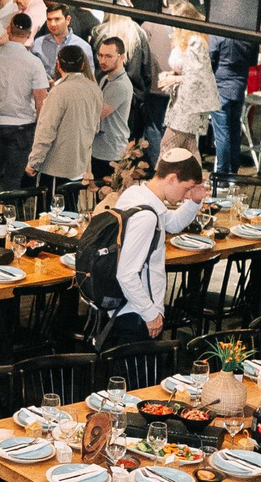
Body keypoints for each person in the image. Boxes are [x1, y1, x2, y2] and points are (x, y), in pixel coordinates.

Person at [103, 148, 209, 344]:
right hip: (138, 314)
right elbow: (126, 274)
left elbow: (173, 223)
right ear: (171, 179)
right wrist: (151, 314)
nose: (186, 195)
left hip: (128, 307)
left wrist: (195, 200)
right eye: (186, 188)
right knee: (140, 374)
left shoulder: (137, 194)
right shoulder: (146, 216)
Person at [25, 45, 103, 196]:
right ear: (82, 64)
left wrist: (33, 163)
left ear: (58, 64)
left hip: (55, 169)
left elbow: (46, 131)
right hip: (81, 167)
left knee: (51, 215)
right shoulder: (95, 90)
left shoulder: (59, 92)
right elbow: (96, 127)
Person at [0, 11, 45, 181]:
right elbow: (40, 102)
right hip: (22, 129)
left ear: (8, 29)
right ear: (28, 35)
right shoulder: (34, 63)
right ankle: (10, 207)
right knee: (13, 181)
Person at [155, 25, 217, 164]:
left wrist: (175, 79)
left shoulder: (197, 43)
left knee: (168, 146)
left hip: (189, 104)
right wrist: (172, 75)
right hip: (181, 100)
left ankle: (160, 181)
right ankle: (195, 182)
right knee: (189, 147)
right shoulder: (183, 40)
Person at [209, 33, 257, 182]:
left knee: (222, 134)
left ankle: (221, 176)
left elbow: (210, 58)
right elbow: (253, 61)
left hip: (220, 86)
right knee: (234, 131)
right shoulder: (250, 36)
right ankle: (233, 171)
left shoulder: (220, 33)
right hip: (239, 87)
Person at [90, 36, 134, 184]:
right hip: (102, 149)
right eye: (100, 55)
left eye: (108, 56)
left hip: (110, 152)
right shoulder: (106, 79)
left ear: (121, 57)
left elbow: (96, 114)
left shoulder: (119, 85)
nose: (102, 60)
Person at [31, 4, 90, 81]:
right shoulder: (38, 43)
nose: (52, 24)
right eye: (49, 20)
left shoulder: (83, 46)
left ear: (68, 20)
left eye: (57, 19)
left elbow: (89, 77)